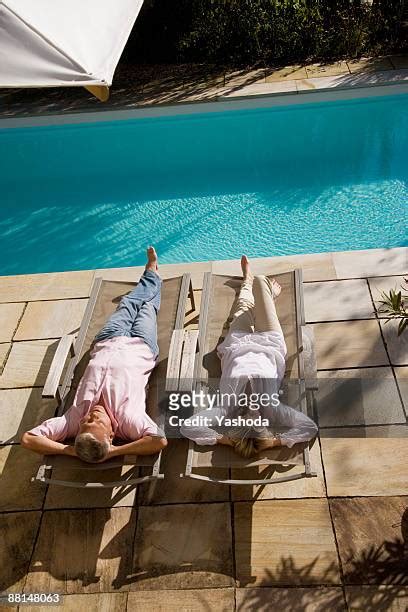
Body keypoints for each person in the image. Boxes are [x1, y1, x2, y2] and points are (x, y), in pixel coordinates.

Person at [21, 247, 167, 463]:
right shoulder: (128, 421)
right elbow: (159, 440)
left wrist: (68, 450)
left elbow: (28, 438)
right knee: (147, 308)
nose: (92, 416)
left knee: (128, 303)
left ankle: (152, 276)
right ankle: (151, 274)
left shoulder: (72, 420)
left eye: (86, 422)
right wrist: (114, 452)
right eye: (97, 423)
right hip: (141, 345)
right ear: (111, 436)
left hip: (107, 340)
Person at [180, 255, 318, 458]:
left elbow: (188, 427)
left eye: (247, 421)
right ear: (265, 425)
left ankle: (247, 282)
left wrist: (226, 441)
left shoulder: (224, 409)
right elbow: (309, 428)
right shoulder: (273, 409)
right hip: (270, 340)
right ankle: (265, 297)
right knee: (262, 281)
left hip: (238, 341)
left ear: (237, 424)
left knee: (243, 307)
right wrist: (273, 443)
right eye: (258, 422)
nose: (254, 413)